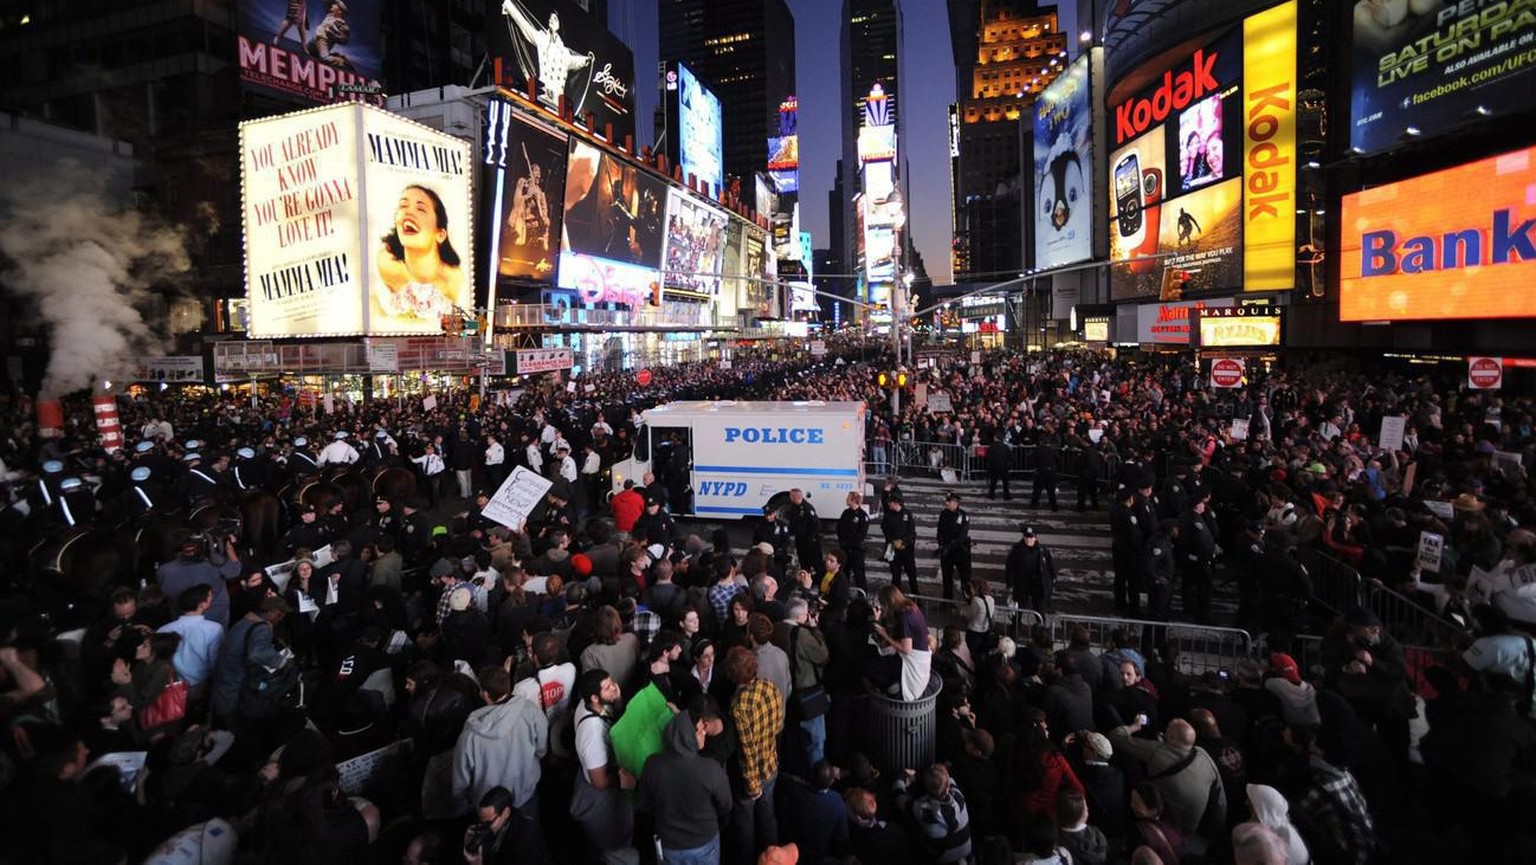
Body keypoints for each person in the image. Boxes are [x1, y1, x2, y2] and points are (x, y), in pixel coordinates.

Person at [451, 663, 549, 855]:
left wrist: (462, 802)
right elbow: (542, 749)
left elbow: (461, 777)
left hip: (489, 809)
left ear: (485, 694)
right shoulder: (531, 711)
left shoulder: (471, 732)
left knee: (493, 850)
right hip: (525, 793)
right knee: (530, 841)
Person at [639, 702, 733, 865]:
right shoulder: (710, 768)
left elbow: (645, 805)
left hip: (670, 846)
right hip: (704, 844)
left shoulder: (652, 765)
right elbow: (726, 805)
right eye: (699, 730)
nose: (704, 732)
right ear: (687, 736)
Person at [1109, 717, 1227, 844]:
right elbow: (1220, 801)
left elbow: (1116, 736)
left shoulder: (1158, 751)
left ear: (1170, 737)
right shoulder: (1204, 755)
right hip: (1194, 829)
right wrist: (1214, 833)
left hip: (1167, 828)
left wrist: (1134, 727)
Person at [570, 670, 638, 864]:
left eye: (612, 682)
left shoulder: (590, 705)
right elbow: (599, 781)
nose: (614, 687)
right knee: (613, 839)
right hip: (602, 799)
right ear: (594, 697)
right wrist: (624, 783)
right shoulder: (593, 734)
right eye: (608, 688)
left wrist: (617, 698)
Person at [725, 645, 784, 862]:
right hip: (771, 765)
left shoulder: (739, 706)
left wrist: (752, 786)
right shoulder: (771, 688)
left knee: (744, 825)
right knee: (768, 818)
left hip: (750, 777)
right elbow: (777, 726)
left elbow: (747, 751)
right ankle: (773, 857)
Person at [375, 184, 464, 320]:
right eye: (403, 206)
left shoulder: (455, 279)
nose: (408, 212)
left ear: (440, 234)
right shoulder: (386, 263)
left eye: (421, 209)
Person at [500, 1, 593, 110]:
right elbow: (525, 26)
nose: (551, 20)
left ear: (559, 25)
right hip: (542, 94)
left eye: (554, 19)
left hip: (559, 102)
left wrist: (587, 60)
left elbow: (577, 61)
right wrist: (510, 7)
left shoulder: (565, 53)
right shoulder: (542, 39)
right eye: (550, 18)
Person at [895, 763, 973, 864]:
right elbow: (951, 781)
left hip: (943, 859)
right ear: (948, 785)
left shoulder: (923, 810)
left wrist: (902, 777)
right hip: (966, 854)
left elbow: (899, 797)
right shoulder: (959, 797)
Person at [158, 535, 242, 628]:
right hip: (215, 622)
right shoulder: (215, 563)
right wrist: (229, 548)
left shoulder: (164, 570)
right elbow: (236, 572)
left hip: (180, 626)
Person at [156, 585, 224, 699]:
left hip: (170, 685)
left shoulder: (163, 629)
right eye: (210, 597)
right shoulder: (214, 629)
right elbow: (215, 661)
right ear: (202, 605)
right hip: (200, 683)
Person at [1006, 524, 1057, 613]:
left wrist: (1052, 578)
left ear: (1035, 538)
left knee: (1039, 609)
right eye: (1026, 537)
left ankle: (1039, 625)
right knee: (1018, 609)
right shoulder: (1017, 550)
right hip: (1022, 584)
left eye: (1031, 537)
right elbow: (1010, 566)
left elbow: (1049, 565)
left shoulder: (1042, 550)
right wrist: (1010, 583)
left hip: (1037, 584)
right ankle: (1015, 625)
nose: (1028, 539)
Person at [936, 492, 972, 600]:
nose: (946, 503)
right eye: (946, 501)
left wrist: (949, 546)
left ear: (956, 502)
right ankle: (947, 602)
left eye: (949, 501)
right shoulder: (944, 514)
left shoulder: (964, 516)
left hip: (961, 551)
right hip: (947, 552)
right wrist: (941, 544)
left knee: (965, 578)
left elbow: (962, 536)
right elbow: (940, 531)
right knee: (947, 578)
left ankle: (969, 601)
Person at [881, 494, 919, 595]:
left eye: (891, 502)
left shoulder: (907, 514)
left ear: (896, 503)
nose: (889, 504)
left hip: (907, 549)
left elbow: (911, 531)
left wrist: (903, 542)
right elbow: (884, 528)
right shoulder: (888, 514)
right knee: (895, 575)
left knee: (912, 575)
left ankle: (917, 598)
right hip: (894, 549)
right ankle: (895, 598)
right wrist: (893, 540)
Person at [837, 491, 870, 590]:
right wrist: (842, 541)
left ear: (853, 500)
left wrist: (850, 543)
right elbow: (840, 528)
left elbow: (861, 534)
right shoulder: (846, 513)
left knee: (859, 574)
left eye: (848, 498)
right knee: (844, 572)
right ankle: (843, 592)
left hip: (856, 550)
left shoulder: (862, 516)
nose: (846, 500)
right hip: (845, 549)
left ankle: (862, 595)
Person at [985, 433, 1012, 500]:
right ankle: (1006, 495)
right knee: (1005, 482)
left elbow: (988, 457)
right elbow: (1009, 457)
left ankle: (992, 495)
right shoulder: (1005, 447)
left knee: (993, 482)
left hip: (994, 466)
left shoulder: (992, 447)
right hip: (1004, 466)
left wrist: (988, 465)